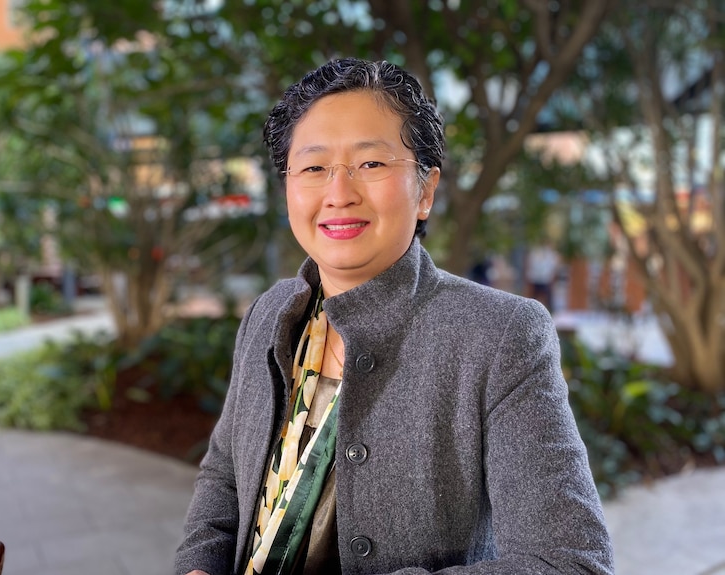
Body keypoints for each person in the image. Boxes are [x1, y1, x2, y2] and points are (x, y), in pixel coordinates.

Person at [175, 58, 613, 575]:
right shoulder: (271, 313)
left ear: (425, 191)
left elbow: (569, 562)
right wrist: (199, 564)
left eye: (372, 164)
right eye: (314, 168)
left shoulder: (498, 337)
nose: (339, 194)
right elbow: (225, 471)